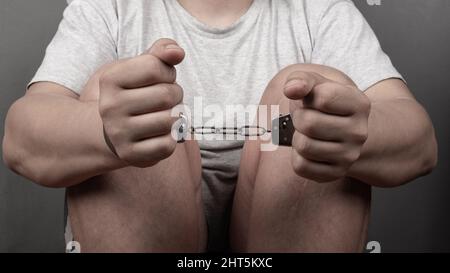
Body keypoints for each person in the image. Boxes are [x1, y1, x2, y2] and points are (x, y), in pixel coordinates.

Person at [2, 0, 437, 252]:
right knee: (124, 94)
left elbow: (419, 142)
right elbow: (22, 137)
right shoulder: (113, 5)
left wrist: (353, 135)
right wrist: (103, 132)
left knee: (306, 98)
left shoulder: (318, 7)